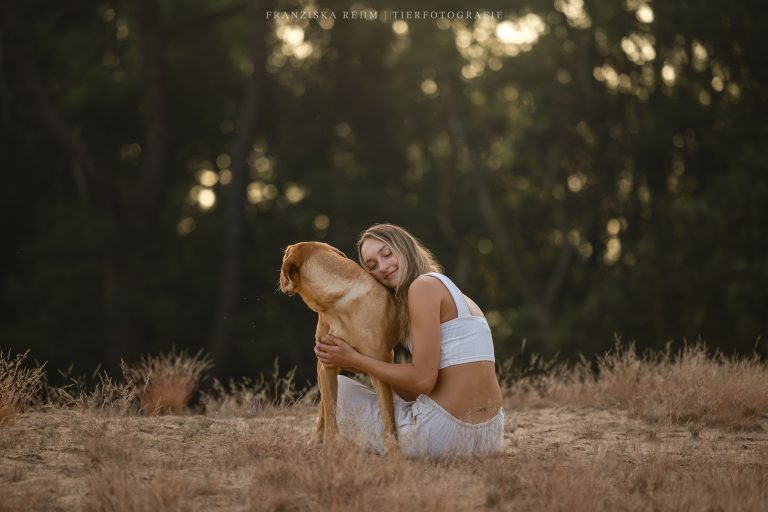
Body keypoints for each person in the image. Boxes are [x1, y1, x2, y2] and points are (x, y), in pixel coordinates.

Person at [314, 223, 505, 458]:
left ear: (405, 248)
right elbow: (433, 387)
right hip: (491, 435)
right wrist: (360, 364)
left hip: (443, 434)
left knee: (340, 389)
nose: (383, 267)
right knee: (384, 396)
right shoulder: (451, 291)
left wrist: (357, 359)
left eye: (387, 254)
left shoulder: (422, 287)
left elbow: (423, 380)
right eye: (372, 266)